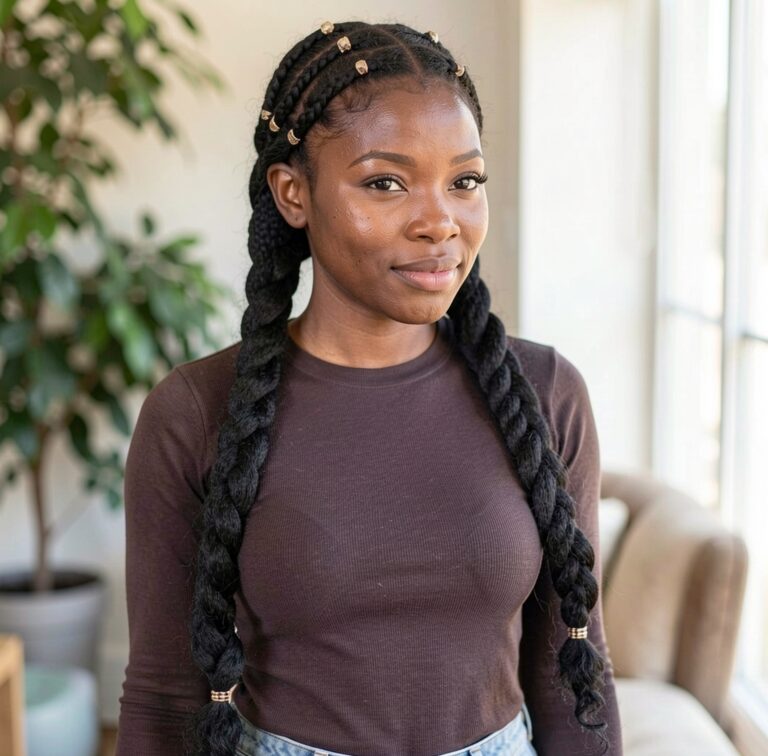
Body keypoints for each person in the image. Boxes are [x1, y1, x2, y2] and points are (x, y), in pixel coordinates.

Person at [115, 19, 623, 756]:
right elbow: (165, 697)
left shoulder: (546, 395)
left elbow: (571, 670)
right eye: (386, 182)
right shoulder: (196, 411)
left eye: (465, 181)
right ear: (293, 193)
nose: (439, 222)